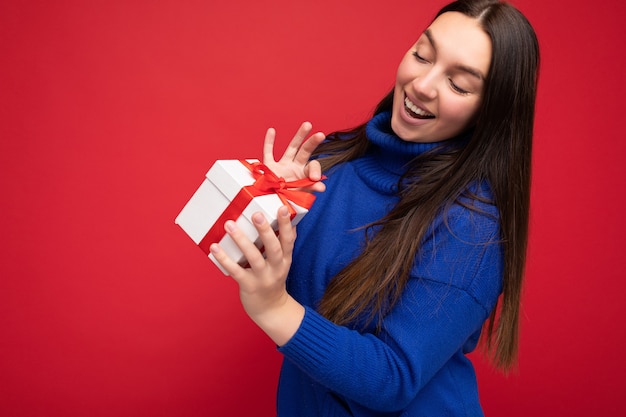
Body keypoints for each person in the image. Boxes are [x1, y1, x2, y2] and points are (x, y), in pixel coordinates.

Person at [208, 0, 539, 415]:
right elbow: (283, 283)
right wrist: (270, 211)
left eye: (458, 84)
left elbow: (392, 377)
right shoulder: (331, 162)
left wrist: (273, 307)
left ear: (490, 112)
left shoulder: (471, 225)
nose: (422, 84)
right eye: (422, 55)